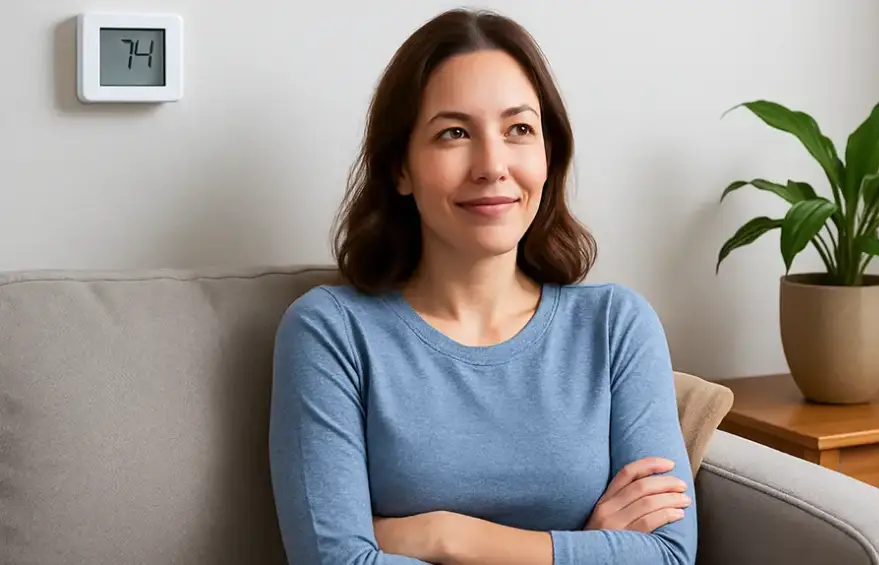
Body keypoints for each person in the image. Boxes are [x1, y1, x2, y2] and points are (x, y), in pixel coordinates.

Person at [268, 8, 696, 565]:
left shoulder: (616, 325)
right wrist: (586, 550)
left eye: (519, 129)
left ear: (549, 155)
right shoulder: (331, 331)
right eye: (454, 133)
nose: (492, 165)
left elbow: (667, 555)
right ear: (400, 168)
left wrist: (447, 537)